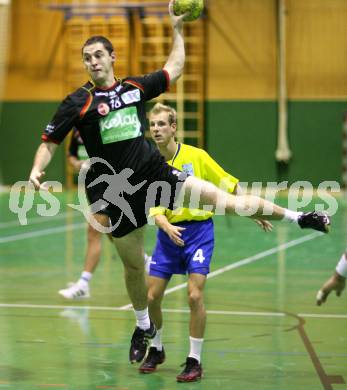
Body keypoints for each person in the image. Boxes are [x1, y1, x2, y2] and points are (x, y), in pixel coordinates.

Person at [28, 1, 330, 366]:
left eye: (98, 55)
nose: (92, 61)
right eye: (86, 57)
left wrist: (175, 29)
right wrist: (36, 170)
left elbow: (176, 67)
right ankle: (143, 326)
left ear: (112, 57)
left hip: (154, 174)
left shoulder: (135, 88)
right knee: (134, 267)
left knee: (227, 201)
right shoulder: (78, 101)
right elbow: (50, 142)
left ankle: (301, 217)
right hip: (116, 194)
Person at [139, 103, 272, 381]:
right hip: (168, 234)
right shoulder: (149, 161)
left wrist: (251, 210)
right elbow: (153, 206)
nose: (157, 129)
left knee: (195, 295)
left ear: (173, 127)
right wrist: (164, 223)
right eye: (153, 125)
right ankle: (157, 347)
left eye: (162, 124)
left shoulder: (196, 157)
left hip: (199, 232)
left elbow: (227, 182)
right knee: (151, 297)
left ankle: (194, 360)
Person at [58, 128, 110, 300]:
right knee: (114, 234)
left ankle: (83, 284)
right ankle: (146, 262)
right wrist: (77, 164)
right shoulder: (77, 130)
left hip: (107, 182)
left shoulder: (103, 125)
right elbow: (71, 153)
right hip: (90, 185)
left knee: (93, 232)